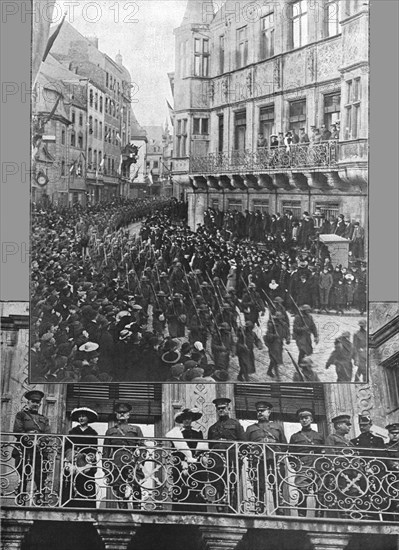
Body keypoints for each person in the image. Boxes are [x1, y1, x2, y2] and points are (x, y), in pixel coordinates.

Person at [246, 401, 287, 514]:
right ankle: (259, 504)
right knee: (258, 482)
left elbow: (284, 445)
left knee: (277, 482)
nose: (260, 413)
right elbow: (245, 446)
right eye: (258, 411)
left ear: (269, 412)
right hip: (257, 459)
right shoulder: (250, 428)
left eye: (262, 411)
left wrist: (277, 452)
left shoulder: (277, 427)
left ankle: (279, 507)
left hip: (274, 458)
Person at [103, 403, 145, 509]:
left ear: (128, 415)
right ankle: (123, 511)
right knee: (119, 489)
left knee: (135, 486)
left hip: (132, 461)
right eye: (119, 413)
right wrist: (106, 468)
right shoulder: (110, 431)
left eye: (124, 412)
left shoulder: (136, 429)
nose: (122, 414)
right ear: (116, 415)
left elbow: (142, 447)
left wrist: (140, 462)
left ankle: (137, 509)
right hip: (116, 463)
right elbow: (105, 451)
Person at [12, 390, 51, 505]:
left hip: (39, 451)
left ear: (40, 404)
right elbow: (18, 431)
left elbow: (47, 434)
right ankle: (21, 500)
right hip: (23, 449)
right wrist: (29, 439)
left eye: (38, 402)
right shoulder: (21, 415)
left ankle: (39, 501)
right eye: (33, 401)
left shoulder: (44, 419)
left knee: (40, 476)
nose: (35, 404)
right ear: (28, 402)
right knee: (22, 475)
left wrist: (39, 441)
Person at [207, 398, 246, 511]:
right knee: (218, 483)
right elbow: (210, 446)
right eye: (218, 409)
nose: (221, 410)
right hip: (217, 460)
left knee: (232, 483)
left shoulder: (236, 424)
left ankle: (232, 508)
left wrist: (238, 457)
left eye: (223, 408)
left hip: (232, 459)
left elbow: (243, 443)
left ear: (228, 408)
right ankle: (219, 506)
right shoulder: (212, 428)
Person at [165, 408, 207, 511]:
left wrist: (198, 458)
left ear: (192, 419)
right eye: (185, 419)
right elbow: (175, 451)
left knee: (196, 486)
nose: (187, 421)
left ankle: (197, 510)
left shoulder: (198, 432)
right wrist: (183, 461)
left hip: (195, 464)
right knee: (181, 488)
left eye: (189, 418)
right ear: (182, 421)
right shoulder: (177, 433)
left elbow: (201, 448)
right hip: (181, 465)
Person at [288, 408, 324, 517]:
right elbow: (291, 455)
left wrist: (322, 465)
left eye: (306, 418)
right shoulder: (295, 437)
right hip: (303, 464)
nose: (304, 420)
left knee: (320, 489)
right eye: (301, 418)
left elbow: (325, 452)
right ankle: (302, 514)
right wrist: (297, 467)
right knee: (302, 489)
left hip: (317, 464)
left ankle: (319, 514)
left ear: (311, 419)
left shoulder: (319, 436)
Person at [63, 407, 99, 508]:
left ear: (88, 418)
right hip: (74, 460)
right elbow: (68, 446)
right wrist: (71, 457)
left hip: (86, 461)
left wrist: (89, 460)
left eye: (83, 416)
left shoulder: (93, 433)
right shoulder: (73, 431)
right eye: (79, 417)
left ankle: (87, 506)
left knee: (86, 482)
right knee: (71, 482)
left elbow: (94, 449)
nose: (81, 418)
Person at [264, 311, 290, 378]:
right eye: (277, 316)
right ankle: (277, 374)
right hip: (273, 343)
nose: (279, 318)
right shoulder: (271, 324)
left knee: (275, 359)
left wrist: (287, 339)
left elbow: (287, 332)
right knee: (274, 359)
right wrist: (274, 335)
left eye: (280, 316)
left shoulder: (284, 324)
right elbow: (268, 334)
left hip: (280, 343)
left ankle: (269, 371)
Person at [383, 423, 399, 521]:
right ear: (388, 434)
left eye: (397, 433)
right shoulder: (386, 447)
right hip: (391, 476)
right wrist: (395, 466)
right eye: (392, 433)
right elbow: (386, 459)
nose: (395, 435)